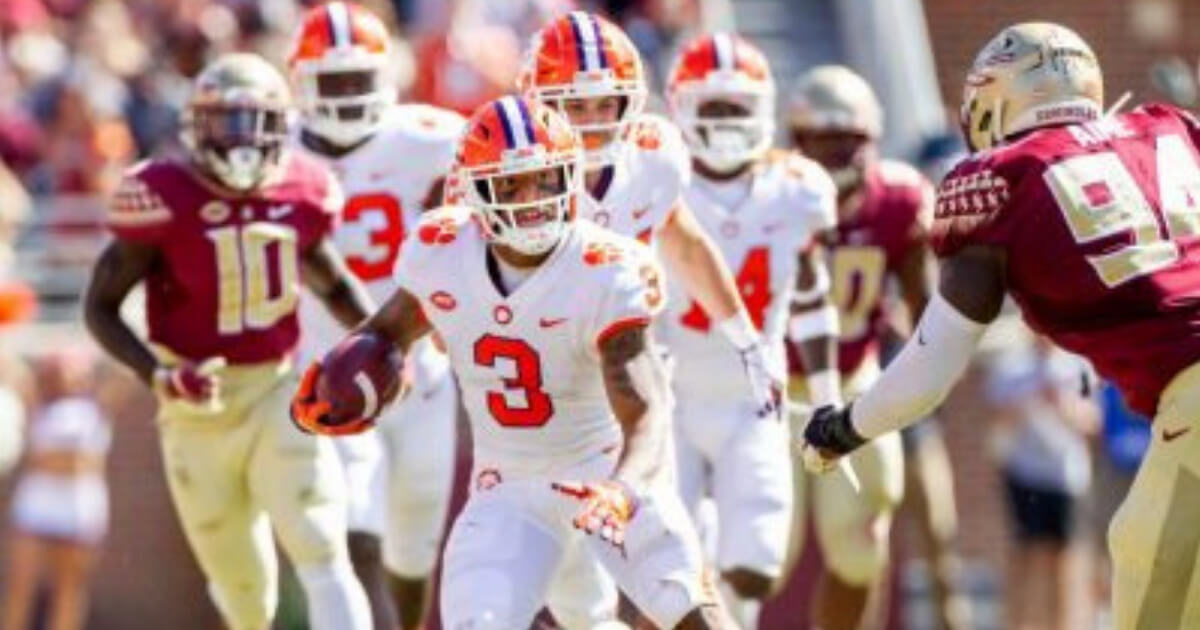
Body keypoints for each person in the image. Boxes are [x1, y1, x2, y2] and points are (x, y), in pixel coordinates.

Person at [800, 21, 1200, 630]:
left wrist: (846, 427)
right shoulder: (1168, 126)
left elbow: (932, 365)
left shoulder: (1001, 181)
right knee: (1145, 546)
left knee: (1149, 577)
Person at [292, 95, 726, 629]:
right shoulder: (442, 251)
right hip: (509, 488)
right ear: (474, 190)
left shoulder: (607, 268)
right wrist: (334, 380)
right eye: (512, 183)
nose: (535, 199)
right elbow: (386, 333)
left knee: (691, 612)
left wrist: (626, 485)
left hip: (604, 469)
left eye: (547, 179)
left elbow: (646, 407)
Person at [82, 53, 376, 630]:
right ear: (197, 126)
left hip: (276, 388)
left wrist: (382, 344)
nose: (240, 138)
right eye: (225, 121)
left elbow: (333, 280)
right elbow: (100, 308)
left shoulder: (302, 188)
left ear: (278, 125)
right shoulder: (162, 192)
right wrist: (156, 374)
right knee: (245, 591)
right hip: (195, 404)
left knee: (320, 543)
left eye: (252, 120)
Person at [286, 4, 465, 628]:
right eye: (332, 82)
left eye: (358, 79)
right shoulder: (276, 152)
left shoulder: (432, 137)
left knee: (415, 545)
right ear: (300, 82)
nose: (347, 94)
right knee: (353, 523)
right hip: (324, 372)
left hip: (422, 379)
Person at [660, 33, 839, 627]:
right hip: (670, 399)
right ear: (682, 107)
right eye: (713, 106)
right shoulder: (660, 183)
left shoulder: (797, 189)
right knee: (661, 571)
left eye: (738, 106)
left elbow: (812, 295)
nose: (727, 120)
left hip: (753, 400)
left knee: (756, 566)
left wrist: (828, 393)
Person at [786, 64, 937, 630]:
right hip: (773, 389)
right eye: (824, 143)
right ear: (797, 143)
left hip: (853, 383)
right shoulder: (771, 195)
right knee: (760, 556)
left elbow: (927, 306)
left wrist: (920, 372)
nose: (838, 157)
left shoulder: (897, 201)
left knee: (861, 543)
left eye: (849, 142)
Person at [986, 333, 1099, 630]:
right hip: (1024, 474)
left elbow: (1092, 421)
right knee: (1023, 557)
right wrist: (1023, 403)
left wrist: (1063, 406)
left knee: (1062, 563)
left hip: (1066, 478)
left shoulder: (1079, 368)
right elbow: (995, 420)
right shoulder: (1010, 367)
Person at [2, 350, 109, 630]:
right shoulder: (38, 404)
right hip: (38, 505)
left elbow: (127, 374)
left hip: (78, 506)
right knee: (21, 585)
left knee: (69, 588)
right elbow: (11, 367)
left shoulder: (99, 406)